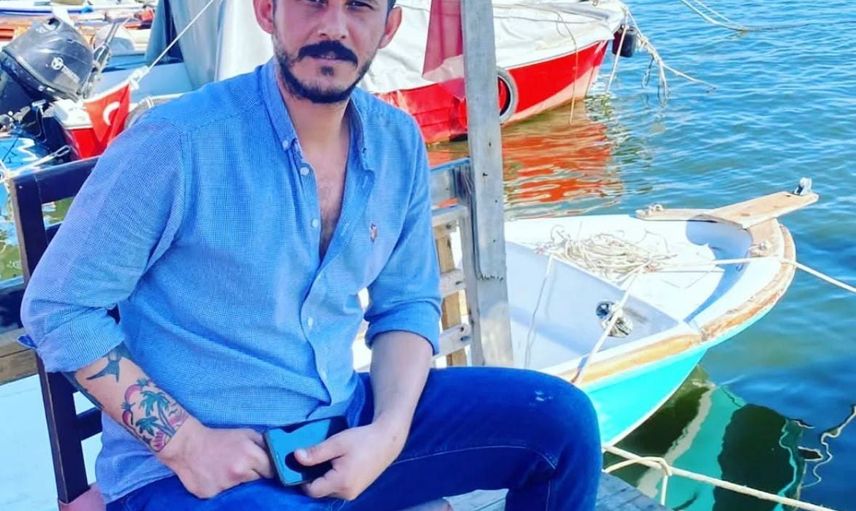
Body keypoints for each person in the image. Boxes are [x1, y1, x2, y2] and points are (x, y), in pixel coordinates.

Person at [20, 0, 601, 509]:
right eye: (313, 1)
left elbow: (406, 304)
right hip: (196, 468)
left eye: (359, 6)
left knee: (560, 425)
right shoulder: (178, 143)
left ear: (389, 27)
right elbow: (59, 307)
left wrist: (387, 434)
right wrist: (186, 443)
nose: (334, 26)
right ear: (266, 11)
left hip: (344, 426)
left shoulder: (396, 142)